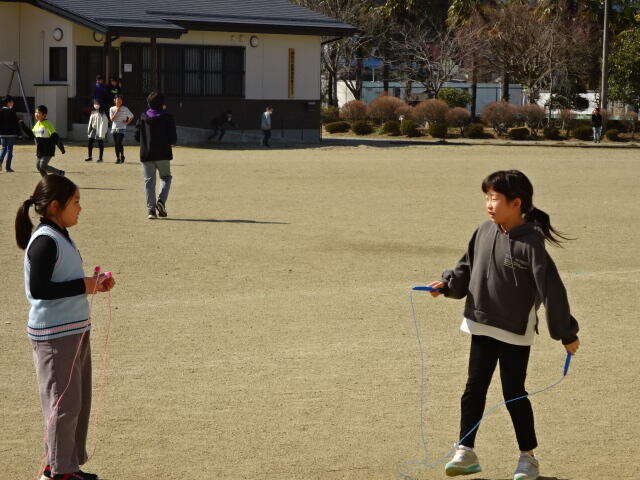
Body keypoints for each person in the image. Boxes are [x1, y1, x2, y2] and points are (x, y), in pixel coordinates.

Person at [426, 170, 579, 480]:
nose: (488, 204)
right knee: (474, 388)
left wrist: (566, 333)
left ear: (516, 203)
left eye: (494, 198)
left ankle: (528, 459)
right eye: (486, 197)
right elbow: (465, 268)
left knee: (513, 393)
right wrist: (447, 285)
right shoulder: (483, 231)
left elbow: (552, 290)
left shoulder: (531, 244)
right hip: (481, 322)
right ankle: (465, 451)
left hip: (514, 329)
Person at [15, 174, 116, 480]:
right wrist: (83, 285)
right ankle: (59, 473)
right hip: (55, 335)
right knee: (63, 404)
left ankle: (63, 466)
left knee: (75, 402)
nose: (80, 208)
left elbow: (63, 280)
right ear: (56, 206)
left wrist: (93, 284)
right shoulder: (45, 240)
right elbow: (39, 289)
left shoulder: (59, 235)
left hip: (72, 331)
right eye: (76, 202)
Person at [135, 91, 177, 220]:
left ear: (148, 104)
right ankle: (161, 201)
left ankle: (151, 211)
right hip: (163, 154)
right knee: (166, 177)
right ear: (162, 104)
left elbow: (136, 136)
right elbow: (173, 138)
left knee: (149, 182)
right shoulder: (168, 117)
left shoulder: (143, 117)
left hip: (146, 154)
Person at [20, 105, 66, 177]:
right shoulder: (37, 124)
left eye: (38, 113)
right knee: (38, 166)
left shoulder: (47, 124)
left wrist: (61, 147)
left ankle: (60, 173)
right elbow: (31, 135)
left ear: (44, 115)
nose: (36, 114)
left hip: (48, 149)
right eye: (35, 112)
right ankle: (46, 180)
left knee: (42, 165)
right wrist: (23, 125)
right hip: (40, 150)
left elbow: (55, 136)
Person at [109, 94, 134, 164]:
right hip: (114, 128)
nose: (119, 101)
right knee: (116, 144)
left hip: (122, 128)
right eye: (118, 100)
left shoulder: (125, 108)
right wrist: (117, 111)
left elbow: (131, 116)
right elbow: (112, 119)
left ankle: (121, 155)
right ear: (114, 100)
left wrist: (127, 122)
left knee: (119, 142)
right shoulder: (111, 109)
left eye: (120, 100)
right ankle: (118, 158)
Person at [0, 95, 21, 172]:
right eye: (12, 101)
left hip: (2, 134)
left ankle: (0, 161)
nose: (13, 103)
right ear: (8, 102)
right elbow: (16, 123)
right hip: (11, 134)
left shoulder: (0, 111)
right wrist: (19, 133)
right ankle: (8, 168)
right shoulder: (12, 111)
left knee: (3, 148)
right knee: (9, 150)